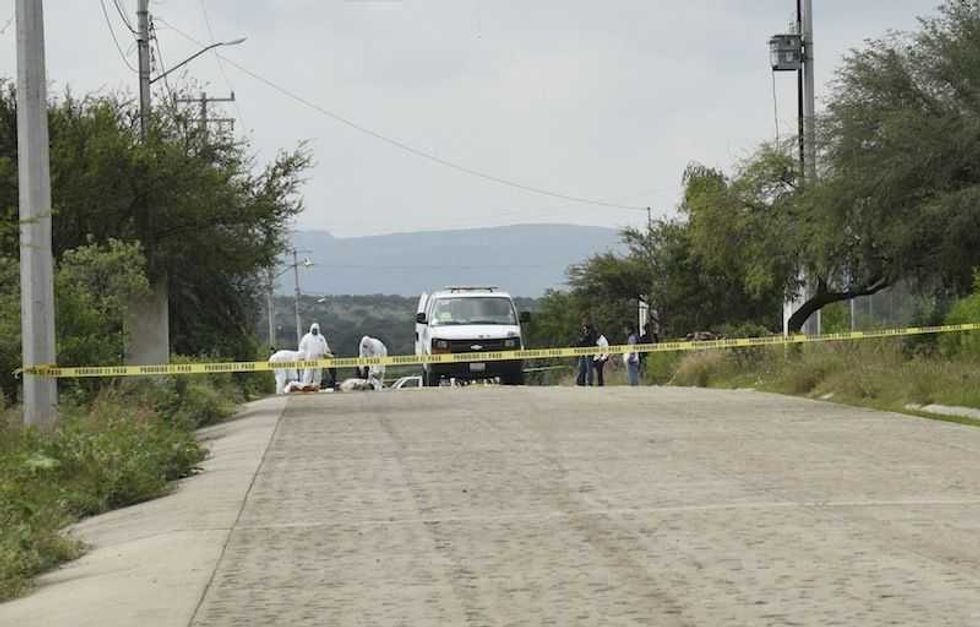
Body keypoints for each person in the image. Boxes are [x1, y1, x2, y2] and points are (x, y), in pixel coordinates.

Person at [298, 322, 333, 387]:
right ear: (311, 329)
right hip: (309, 359)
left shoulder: (321, 338)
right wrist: (302, 356)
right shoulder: (306, 337)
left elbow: (325, 347)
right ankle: (306, 386)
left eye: (316, 329)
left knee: (318, 374)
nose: (315, 331)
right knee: (308, 374)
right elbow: (301, 347)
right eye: (313, 329)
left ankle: (316, 386)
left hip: (319, 359)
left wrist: (328, 353)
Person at [576, 319, 598, 386]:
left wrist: (582, 342)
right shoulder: (583, 332)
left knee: (589, 368)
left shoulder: (592, 332)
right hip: (582, 352)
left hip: (589, 352)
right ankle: (580, 381)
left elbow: (590, 342)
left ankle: (589, 382)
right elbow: (580, 341)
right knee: (582, 367)